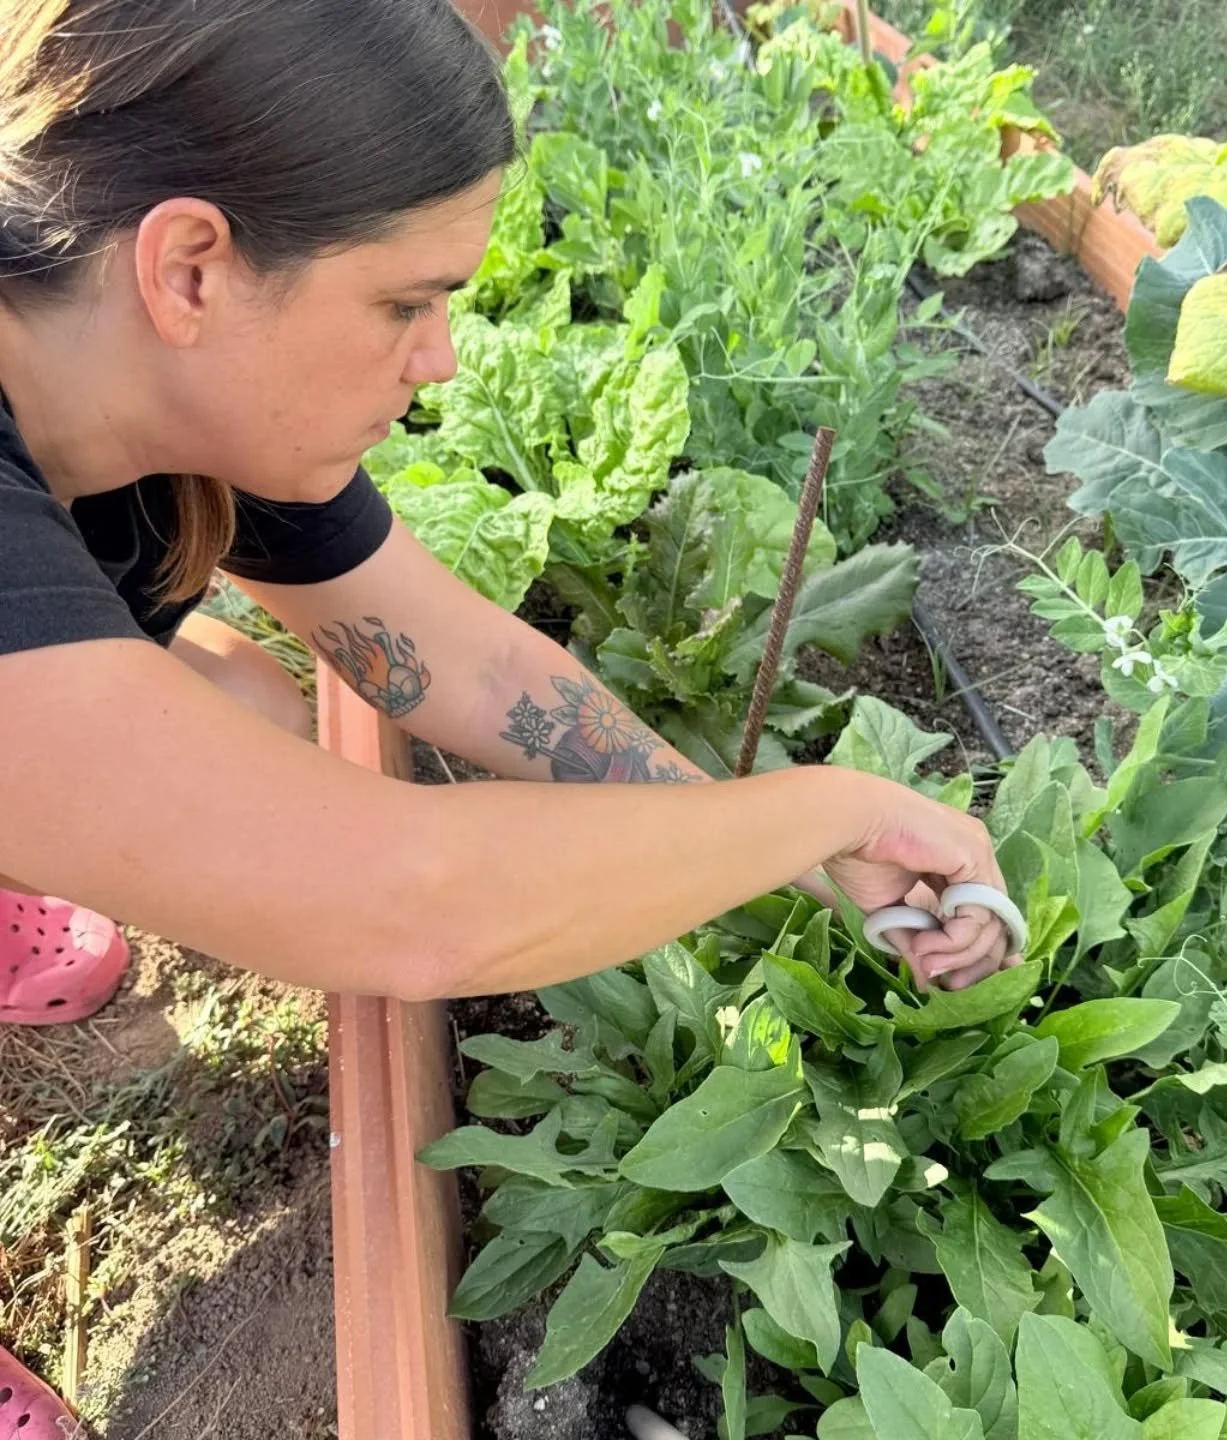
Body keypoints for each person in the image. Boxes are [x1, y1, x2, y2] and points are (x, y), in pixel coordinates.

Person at [0, 0, 1020, 1429]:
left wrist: (793, 856)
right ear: (190, 267)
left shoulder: (156, 386)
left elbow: (464, 670)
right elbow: (405, 902)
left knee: (230, 700)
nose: (442, 365)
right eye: (405, 305)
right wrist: (834, 803)